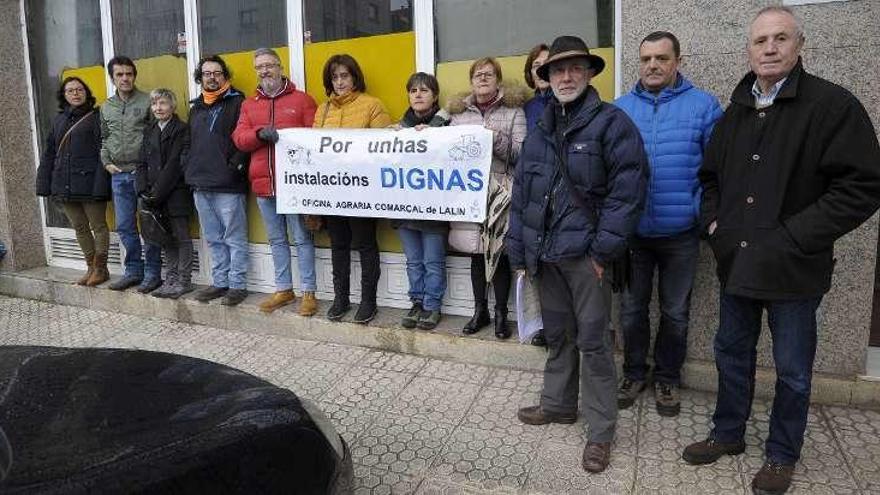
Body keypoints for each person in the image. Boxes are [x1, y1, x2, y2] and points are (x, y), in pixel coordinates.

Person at [681, 7, 880, 495]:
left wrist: (795, 237)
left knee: (791, 370)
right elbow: (709, 178)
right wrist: (715, 225)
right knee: (731, 354)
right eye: (760, 41)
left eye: (780, 39)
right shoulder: (736, 114)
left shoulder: (832, 106)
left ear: (799, 45)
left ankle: (781, 454)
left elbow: (861, 186)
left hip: (795, 269)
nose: (769, 49)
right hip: (739, 263)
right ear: (748, 50)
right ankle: (727, 434)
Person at [508, 35, 648, 474]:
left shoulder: (612, 124)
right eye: (557, 70)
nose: (565, 77)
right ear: (546, 79)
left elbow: (628, 194)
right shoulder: (539, 130)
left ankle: (601, 431)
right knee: (558, 336)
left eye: (574, 69)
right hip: (546, 257)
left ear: (588, 74)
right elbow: (521, 196)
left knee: (594, 344)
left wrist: (602, 251)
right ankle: (558, 405)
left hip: (588, 259)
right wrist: (518, 249)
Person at [613, 31, 723, 416]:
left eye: (661, 58)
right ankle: (633, 372)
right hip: (634, 234)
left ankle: (667, 379)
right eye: (646, 59)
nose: (653, 66)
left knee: (675, 312)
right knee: (631, 310)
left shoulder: (705, 107)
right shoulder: (621, 108)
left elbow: (718, 171)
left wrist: (702, 216)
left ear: (678, 61)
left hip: (681, 234)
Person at [232, 48, 319, 316]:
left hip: (293, 184)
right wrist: (259, 134)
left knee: (302, 238)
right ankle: (284, 288)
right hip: (263, 183)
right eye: (260, 67)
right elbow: (239, 138)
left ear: (280, 68)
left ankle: (309, 291)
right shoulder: (249, 104)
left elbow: (314, 140)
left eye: (270, 65)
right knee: (276, 239)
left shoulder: (302, 100)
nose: (265, 71)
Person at [447, 56, 527, 339]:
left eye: (489, 74)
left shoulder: (515, 111)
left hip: (502, 192)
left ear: (498, 80)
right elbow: (444, 150)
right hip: (470, 193)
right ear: (471, 80)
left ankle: (501, 315)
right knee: (476, 252)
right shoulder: (457, 114)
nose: (482, 78)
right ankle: (479, 311)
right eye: (478, 74)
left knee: (500, 254)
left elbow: (522, 154)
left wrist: (496, 139)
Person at [313, 54, 392, 324]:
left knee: (365, 244)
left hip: (362, 192)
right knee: (338, 245)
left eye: (344, 76)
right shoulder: (323, 110)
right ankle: (341, 298)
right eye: (334, 77)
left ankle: (368, 301)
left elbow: (385, 149)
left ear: (354, 77)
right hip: (332, 192)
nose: (339, 81)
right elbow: (313, 148)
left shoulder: (372, 105)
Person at [186, 55, 251, 306]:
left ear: (225, 75)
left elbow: (245, 139)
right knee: (213, 238)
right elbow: (189, 144)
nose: (211, 77)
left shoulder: (238, 102)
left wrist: (234, 165)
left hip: (228, 183)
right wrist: (187, 167)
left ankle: (237, 284)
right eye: (206, 73)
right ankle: (220, 281)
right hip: (200, 183)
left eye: (217, 73)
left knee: (234, 237)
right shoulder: (196, 108)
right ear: (200, 78)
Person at [36, 76, 111, 287]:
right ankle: (90, 267)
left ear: (86, 92)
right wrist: (45, 183)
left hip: (90, 183)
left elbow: (103, 152)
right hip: (64, 183)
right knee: (79, 227)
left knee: (99, 226)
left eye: (79, 89)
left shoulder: (96, 117)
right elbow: (49, 153)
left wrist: (101, 184)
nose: (75, 93)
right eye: (70, 90)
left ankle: (100, 268)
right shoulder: (59, 120)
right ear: (64, 95)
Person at [393, 72, 451, 331]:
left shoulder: (447, 125)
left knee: (433, 262)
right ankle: (416, 301)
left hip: (433, 209)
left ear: (434, 96)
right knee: (414, 261)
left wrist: (434, 134)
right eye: (413, 90)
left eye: (424, 90)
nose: (418, 94)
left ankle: (432, 305)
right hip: (405, 208)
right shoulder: (398, 129)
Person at [100, 56, 161, 293]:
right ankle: (134, 271)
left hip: (142, 173)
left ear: (134, 75)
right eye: (119, 75)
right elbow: (104, 138)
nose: (125, 78)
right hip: (118, 175)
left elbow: (157, 136)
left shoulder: (148, 101)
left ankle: (153, 273)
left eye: (129, 74)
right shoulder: (107, 107)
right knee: (125, 226)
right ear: (113, 78)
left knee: (149, 225)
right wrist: (106, 162)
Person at [136, 89, 192, 299]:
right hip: (152, 195)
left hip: (175, 193)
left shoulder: (181, 129)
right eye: (155, 104)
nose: (158, 108)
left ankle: (183, 280)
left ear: (173, 106)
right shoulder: (149, 130)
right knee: (165, 238)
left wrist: (157, 193)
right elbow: (141, 162)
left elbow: (174, 165)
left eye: (163, 103)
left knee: (181, 236)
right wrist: (142, 189)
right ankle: (170, 278)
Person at [523, 43, 552, 132]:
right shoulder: (527, 108)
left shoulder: (566, 103)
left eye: (546, 64)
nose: (541, 70)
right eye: (536, 65)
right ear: (530, 74)